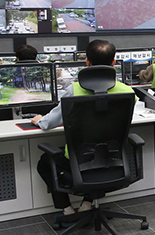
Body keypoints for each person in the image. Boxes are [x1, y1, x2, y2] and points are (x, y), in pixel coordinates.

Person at [32, 40, 134, 217]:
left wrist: (39, 120)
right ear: (114, 62)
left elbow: (49, 123)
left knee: (44, 162)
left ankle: (67, 209)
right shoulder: (127, 91)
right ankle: (87, 203)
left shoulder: (74, 90)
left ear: (87, 61)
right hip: (113, 159)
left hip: (79, 160)